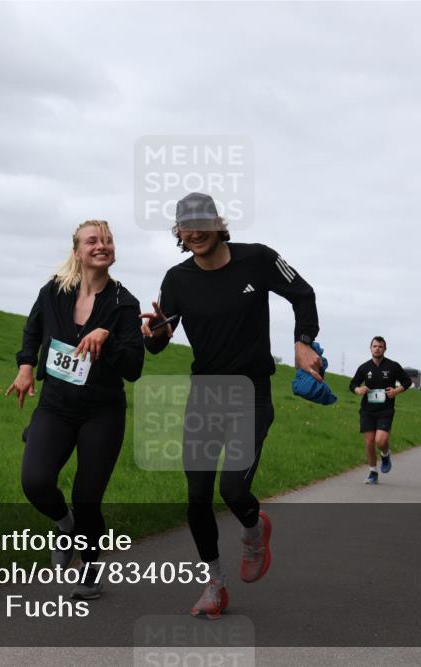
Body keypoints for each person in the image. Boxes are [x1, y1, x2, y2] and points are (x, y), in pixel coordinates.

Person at [141, 192, 322, 619]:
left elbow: (303, 292)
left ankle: (254, 529)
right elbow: (161, 340)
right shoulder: (177, 279)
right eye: (187, 225)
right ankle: (215, 584)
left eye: (203, 221)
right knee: (198, 497)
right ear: (180, 233)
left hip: (251, 393)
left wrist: (303, 341)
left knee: (233, 490)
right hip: (204, 396)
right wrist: (155, 336)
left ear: (219, 223)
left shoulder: (256, 259)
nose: (196, 230)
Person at [6, 220, 145, 601]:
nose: (102, 245)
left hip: (102, 411)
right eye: (93, 240)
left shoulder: (123, 304)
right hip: (56, 405)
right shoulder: (54, 291)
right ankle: (63, 524)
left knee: (87, 497)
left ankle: (89, 570)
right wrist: (25, 366)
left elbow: (133, 367)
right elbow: (32, 330)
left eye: (108, 240)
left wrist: (108, 338)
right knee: (35, 481)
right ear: (77, 250)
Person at [349, 336, 413, 484]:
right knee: (369, 442)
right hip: (367, 410)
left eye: (380, 346)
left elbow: (407, 381)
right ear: (370, 348)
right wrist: (358, 390)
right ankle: (373, 472)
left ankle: (385, 454)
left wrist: (396, 391)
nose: (377, 348)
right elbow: (353, 384)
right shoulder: (364, 367)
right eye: (375, 346)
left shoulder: (393, 366)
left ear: (385, 349)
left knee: (381, 440)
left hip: (385, 410)